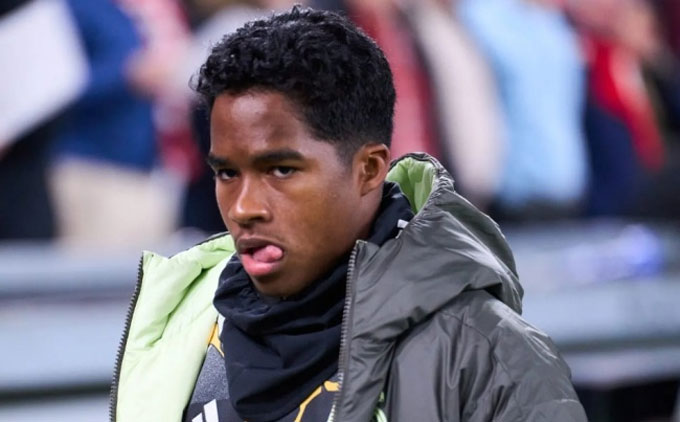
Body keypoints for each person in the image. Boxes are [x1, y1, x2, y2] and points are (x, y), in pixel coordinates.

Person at [110, 6, 587, 421]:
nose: (243, 208)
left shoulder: (486, 354)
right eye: (227, 173)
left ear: (369, 170)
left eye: (281, 170)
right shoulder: (177, 329)